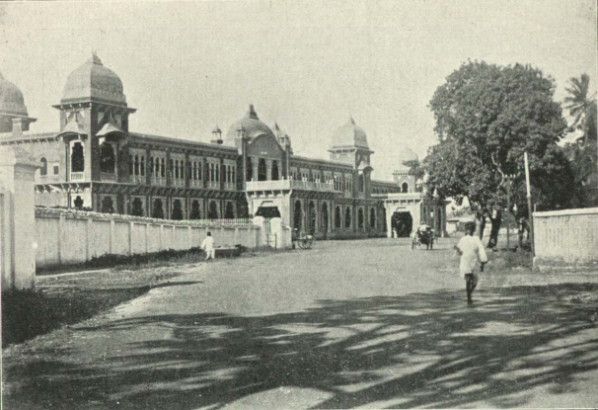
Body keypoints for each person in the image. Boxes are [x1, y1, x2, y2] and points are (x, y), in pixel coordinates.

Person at [455, 221, 488, 306]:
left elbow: (459, 252)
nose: (469, 230)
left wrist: (457, 250)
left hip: (468, 261)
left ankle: (469, 296)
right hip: (471, 260)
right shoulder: (474, 239)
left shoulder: (466, 239)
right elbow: (481, 250)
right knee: (472, 280)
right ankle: (469, 297)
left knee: (469, 279)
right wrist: (483, 261)